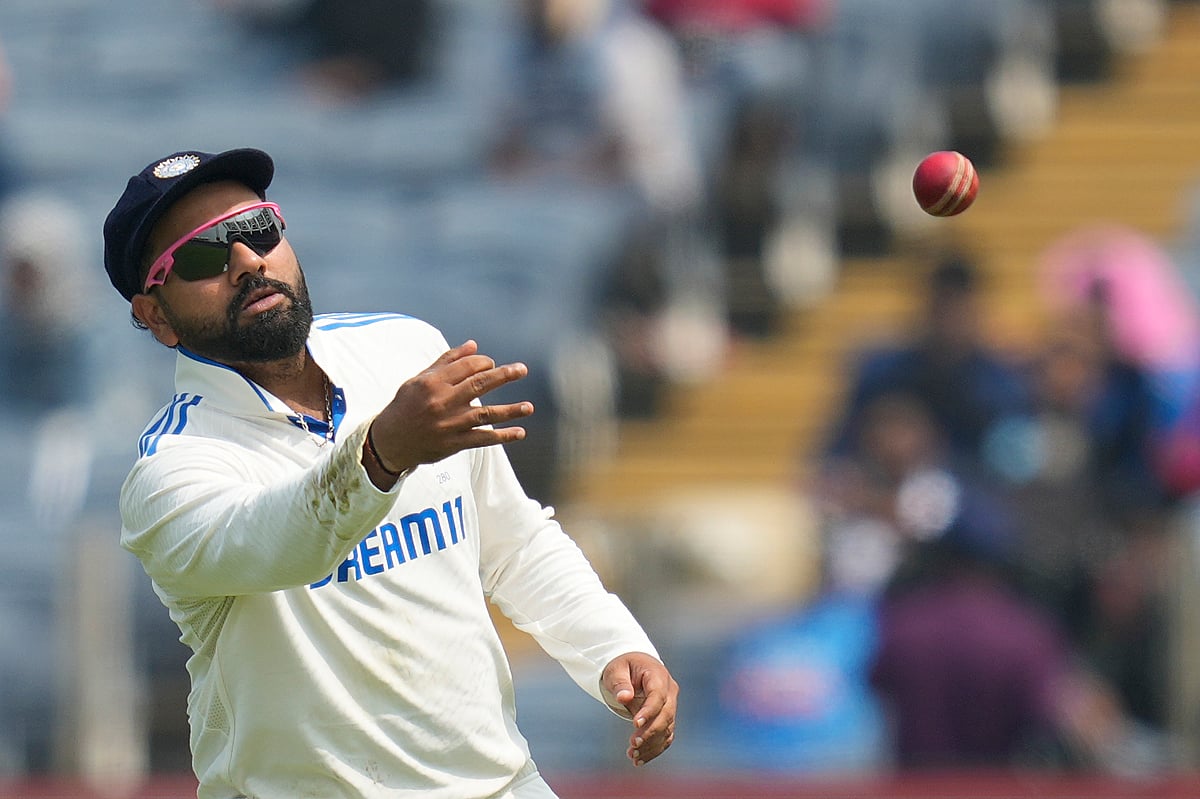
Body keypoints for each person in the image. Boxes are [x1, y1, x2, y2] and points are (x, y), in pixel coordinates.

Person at [101, 148, 678, 799]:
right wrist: (380, 453)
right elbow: (281, 541)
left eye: (257, 230)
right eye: (202, 256)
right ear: (155, 316)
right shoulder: (171, 469)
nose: (247, 262)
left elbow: (512, 541)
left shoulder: (405, 352)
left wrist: (614, 647)